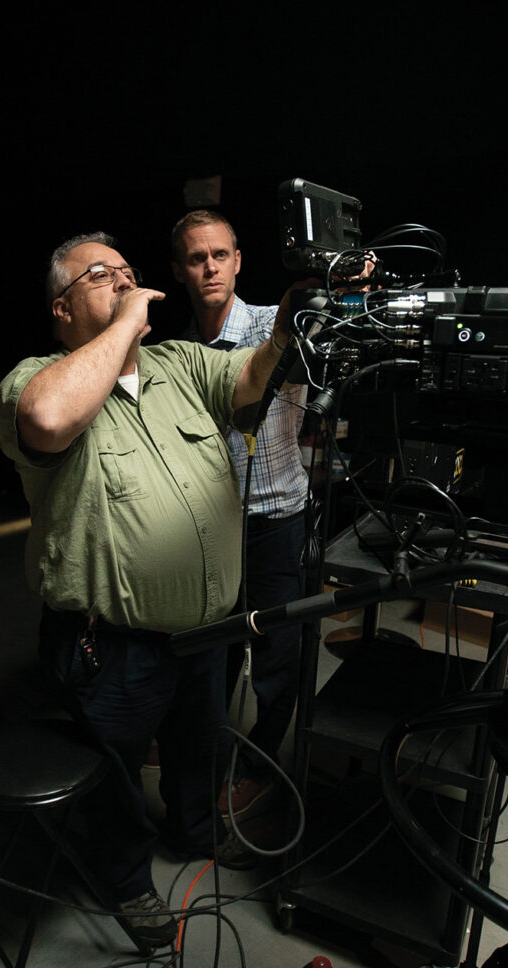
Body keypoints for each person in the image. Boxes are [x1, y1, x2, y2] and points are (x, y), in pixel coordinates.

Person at [0, 232, 293, 946]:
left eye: (129, 273)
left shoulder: (180, 363)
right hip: (112, 642)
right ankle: (127, 880)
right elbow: (48, 420)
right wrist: (127, 321)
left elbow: (249, 381)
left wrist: (285, 325)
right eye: (102, 276)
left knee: (199, 747)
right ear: (62, 309)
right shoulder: (32, 379)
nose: (126, 282)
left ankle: (194, 831)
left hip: (204, 632)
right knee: (116, 772)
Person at [171, 210, 308, 819]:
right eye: (197, 258)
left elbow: (308, 341)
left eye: (219, 255)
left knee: (278, 658)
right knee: (209, 652)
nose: (209, 268)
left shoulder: (273, 326)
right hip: (211, 527)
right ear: (179, 271)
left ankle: (258, 768)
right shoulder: (175, 350)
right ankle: (197, 753)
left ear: (238, 260)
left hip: (277, 520)